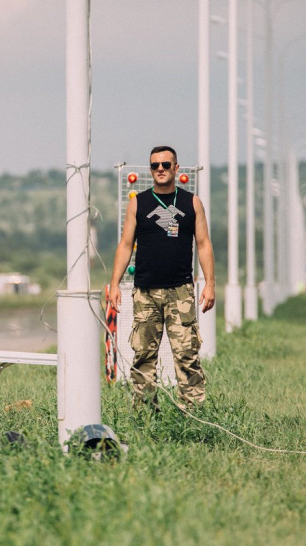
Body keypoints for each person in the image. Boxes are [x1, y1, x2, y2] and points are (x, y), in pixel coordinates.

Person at [107, 145, 216, 410]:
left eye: (166, 165)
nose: (160, 169)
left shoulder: (191, 202)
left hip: (181, 292)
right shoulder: (139, 203)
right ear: (150, 169)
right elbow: (125, 244)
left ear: (176, 168)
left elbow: (203, 244)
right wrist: (115, 284)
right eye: (155, 165)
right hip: (145, 292)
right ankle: (145, 414)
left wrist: (210, 284)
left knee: (187, 356)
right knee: (143, 356)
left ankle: (192, 414)